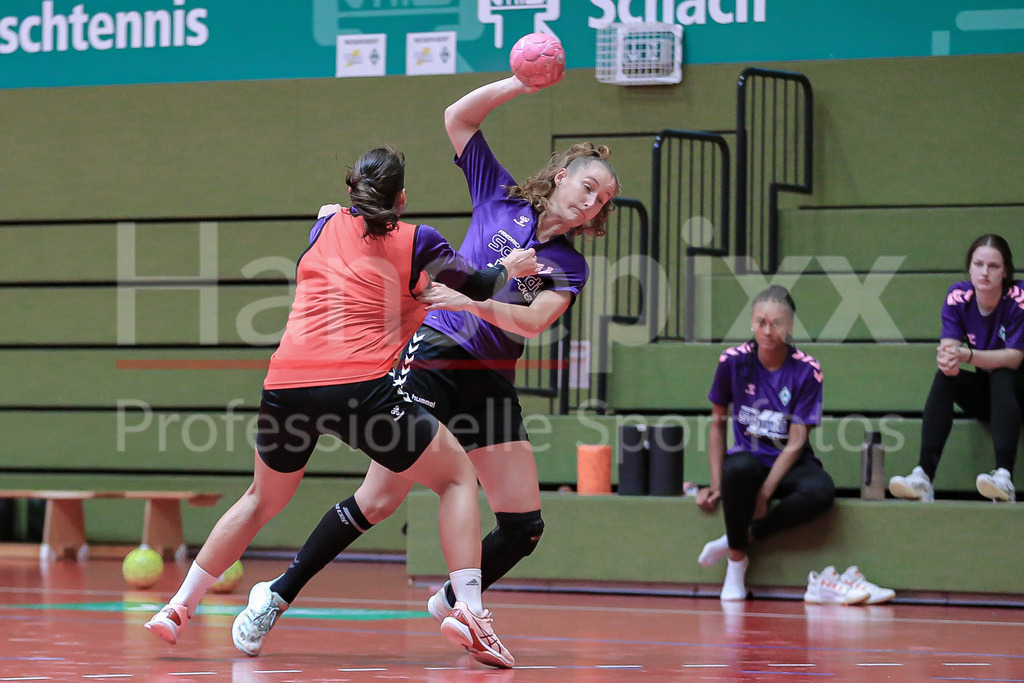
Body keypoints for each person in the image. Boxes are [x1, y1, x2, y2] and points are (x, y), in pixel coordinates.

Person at [230, 75, 620, 661]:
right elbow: (458, 116)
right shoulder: (501, 197)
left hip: (490, 377)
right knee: (379, 500)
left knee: (524, 526)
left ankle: (453, 603)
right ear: (562, 176)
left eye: (603, 198)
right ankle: (275, 595)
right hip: (436, 355)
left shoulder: (567, 263)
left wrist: (479, 302)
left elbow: (535, 320)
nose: (592, 202)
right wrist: (520, 83)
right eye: (588, 186)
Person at [144, 146, 542, 669]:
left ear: (352, 190)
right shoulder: (419, 240)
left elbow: (356, 261)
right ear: (403, 197)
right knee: (456, 479)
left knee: (261, 498)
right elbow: (477, 286)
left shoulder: (323, 225)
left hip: (284, 387)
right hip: (357, 390)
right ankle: (467, 606)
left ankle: (178, 606)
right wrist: (510, 266)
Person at [695, 286, 839, 601]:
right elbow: (717, 425)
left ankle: (744, 536)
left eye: (776, 323)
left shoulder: (807, 369)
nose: (767, 330)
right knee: (737, 471)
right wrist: (716, 484)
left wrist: (764, 495)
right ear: (751, 323)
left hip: (789, 461)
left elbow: (797, 441)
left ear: (789, 327)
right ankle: (736, 565)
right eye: (760, 322)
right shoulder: (732, 361)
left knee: (821, 491)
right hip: (748, 459)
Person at [889, 234, 1024, 503]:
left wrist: (967, 355)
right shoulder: (958, 296)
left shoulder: (1018, 297)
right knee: (946, 376)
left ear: (1006, 270)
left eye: (993, 266)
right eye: (978, 264)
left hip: (1017, 391)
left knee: (1002, 373)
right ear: (969, 266)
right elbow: (950, 348)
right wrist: (948, 358)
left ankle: (1004, 478)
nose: (984, 272)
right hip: (991, 399)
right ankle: (923, 477)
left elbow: (1015, 358)